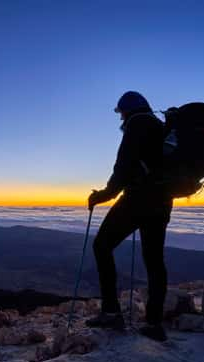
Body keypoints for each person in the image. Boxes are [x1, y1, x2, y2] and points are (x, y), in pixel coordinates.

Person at [86, 91, 173, 342]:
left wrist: (103, 195)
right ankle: (154, 324)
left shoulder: (137, 124)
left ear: (128, 111)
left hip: (137, 200)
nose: (121, 117)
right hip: (162, 202)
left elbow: (123, 166)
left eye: (121, 112)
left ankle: (112, 313)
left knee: (101, 245)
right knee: (155, 261)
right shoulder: (161, 127)